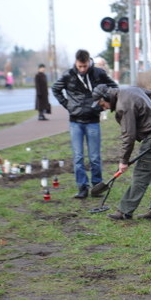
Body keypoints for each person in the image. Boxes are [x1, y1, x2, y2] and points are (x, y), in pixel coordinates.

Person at [91, 84, 151, 220]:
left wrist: (123, 161)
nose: (102, 107)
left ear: (106, 97)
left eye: (101, 103)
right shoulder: (127, 89)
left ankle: (124, 211)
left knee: (142, 172)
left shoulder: (123, 106)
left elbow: (129, 136)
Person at [52, 49, 118, 199]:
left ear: (89, 62)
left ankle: (97, 186)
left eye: (85, 66)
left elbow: (114, 87)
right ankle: (82, 187)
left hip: (93, 120)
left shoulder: (98, 73)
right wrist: (67, 105)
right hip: (75, 121)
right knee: (78, 157)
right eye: (80, 66)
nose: (82, 69)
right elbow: (55, 89)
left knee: (94, 157)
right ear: (76, 62)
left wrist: (103, 100)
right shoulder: (69, 75)